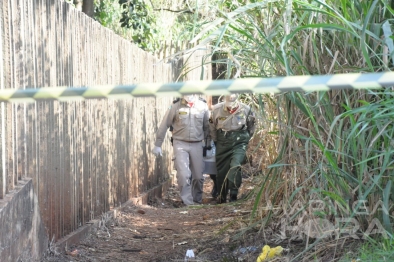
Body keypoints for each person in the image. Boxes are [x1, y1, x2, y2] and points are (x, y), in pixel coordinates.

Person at [152, 95, 209, 205]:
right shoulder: (175, 106)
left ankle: (197, 200)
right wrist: (158, 144)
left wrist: (208, 143)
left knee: (198, 176)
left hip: (197, 144)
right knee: (184, 174)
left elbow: (207, 126)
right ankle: (188, 203)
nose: (189, 96)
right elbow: (164, 125)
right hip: (180, 143)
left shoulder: (203, 106)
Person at [209, 94, 255, 203]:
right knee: (222, 170)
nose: (231, 109)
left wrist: (246, 139)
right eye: (229, 106)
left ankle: (233, 194)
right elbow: (212, 128)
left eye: (233, 106)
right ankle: (222, 196)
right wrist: (216, 141)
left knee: (235, 165)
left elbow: (251, 127)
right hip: (222, 141)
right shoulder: (216, 110)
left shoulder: (246, 110)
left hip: (240, 141)